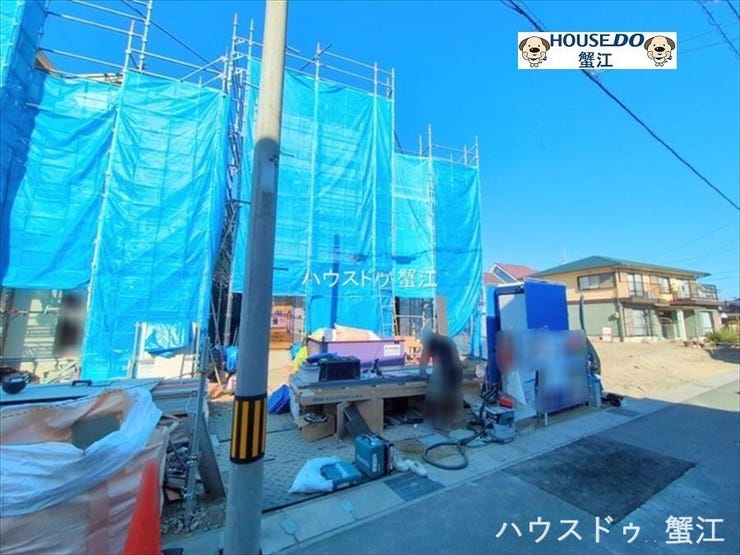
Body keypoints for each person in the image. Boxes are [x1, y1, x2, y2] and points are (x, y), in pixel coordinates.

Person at [418, 324, 464, 430]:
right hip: (457, 372)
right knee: (452, 396)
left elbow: (424, 358)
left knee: (434, 396)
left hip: (445, 372)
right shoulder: (447, 340)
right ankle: (451, 422)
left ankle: (431, 423)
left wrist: (422, 372)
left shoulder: (430, 341)